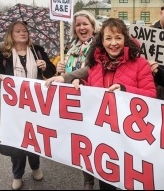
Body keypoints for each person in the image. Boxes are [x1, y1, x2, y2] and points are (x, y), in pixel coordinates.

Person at [45, 18, 156, 190]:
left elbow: (151, 96)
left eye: (118, 38)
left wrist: (125, 90)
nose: (113, 43)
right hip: (104, 139)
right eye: (108, 38)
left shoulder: (140, 64)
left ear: (125, 39)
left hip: (130, 138)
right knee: (107, 183)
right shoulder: (95, 65)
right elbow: (91, 91)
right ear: (102, 41)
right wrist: (81, 85)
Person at [0, 21, 56, 190]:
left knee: (35, 137)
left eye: (24, 31)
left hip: (36, 104)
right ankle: (17, 174)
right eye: (18, 31)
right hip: (15, 107)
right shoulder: (2, 54)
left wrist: (46, 66)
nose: (22, 33)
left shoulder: (37, 50)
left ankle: (35, 166)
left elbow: (51, 72)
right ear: (11, 34)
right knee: (17, 140)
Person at [55, 10, 100, 190]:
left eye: (85, 24)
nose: (81, 27)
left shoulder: (99, 45)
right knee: (82, 141)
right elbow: (61, 74)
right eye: (78, 25)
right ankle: (88, 179)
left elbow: (91, 69)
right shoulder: (71, 47)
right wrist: (59, 68)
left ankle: (106, 176)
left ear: (92, 26)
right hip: (74, 100)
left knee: (98, 140)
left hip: (93, 99)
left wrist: (69, 76)